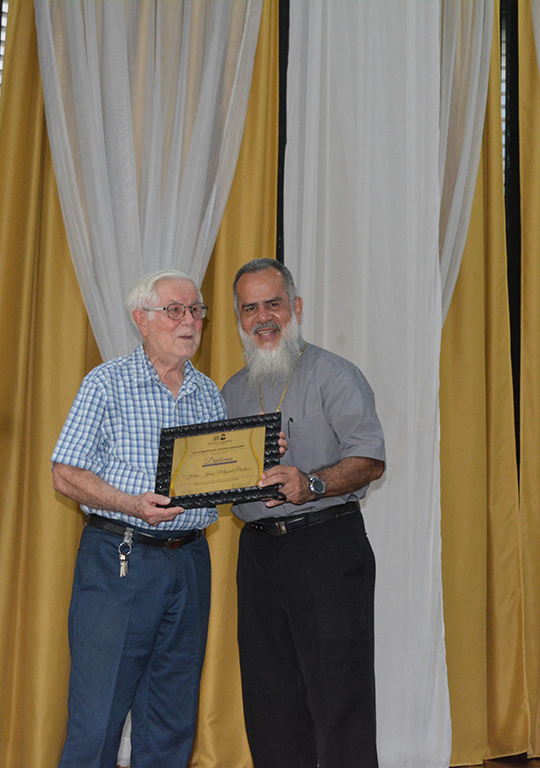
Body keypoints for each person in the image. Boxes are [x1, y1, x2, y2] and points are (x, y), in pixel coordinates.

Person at [50, 269, 225, 768]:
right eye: (175, 310)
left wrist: (257, 463)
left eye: (196, 310)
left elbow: (217, 474)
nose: (189, 321)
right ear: (141, 320)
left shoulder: (209, 393)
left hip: (189, 560)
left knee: (173, 717)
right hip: (120, 560)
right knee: (97, 717)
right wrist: (132, 503)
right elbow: (65, 473)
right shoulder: (106, 382)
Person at [222, 258, 386, 768]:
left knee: (339, 705)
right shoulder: (230, 391)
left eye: (273, 303)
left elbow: (370, 459)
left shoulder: (333, 374)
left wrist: (310, 482)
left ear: (295, 308)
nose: (263, 317)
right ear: (239, 320)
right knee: (269, 704)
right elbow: (216, 475)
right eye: (250, 308)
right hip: (259, 556)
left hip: (326, 549)